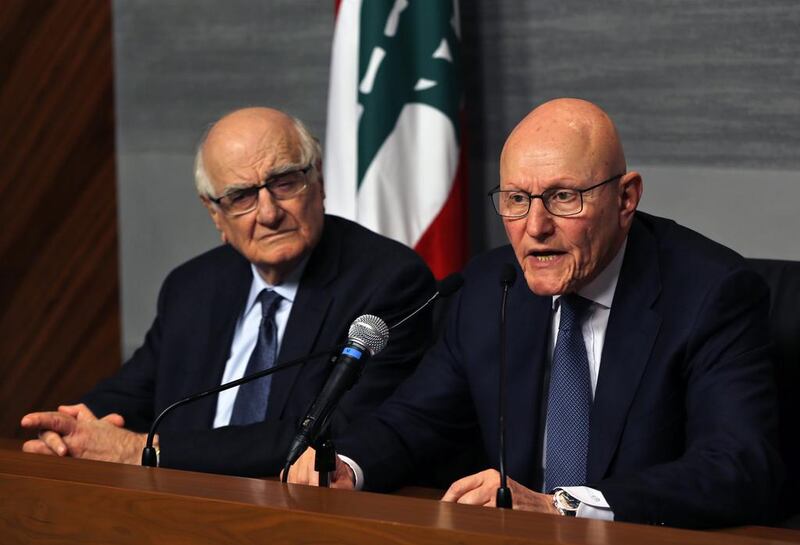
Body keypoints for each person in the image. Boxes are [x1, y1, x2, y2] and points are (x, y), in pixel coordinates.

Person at [287, 98, 783, 528]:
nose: (536, 227)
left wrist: (564, 507)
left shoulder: (710, 293)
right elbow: (418, 419)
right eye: (517, 200)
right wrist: (348, 465)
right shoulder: (488, 287)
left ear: (626, 197)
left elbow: (737, 464)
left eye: (564, 197)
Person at [20, 107, 435, 476]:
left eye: (285, 182)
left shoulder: (388, 282)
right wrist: (72, 431)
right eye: (241, 197)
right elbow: (130, 392)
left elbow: (331, 434)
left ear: (319, 182)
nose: (269, 213)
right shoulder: (192, 286)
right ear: (215, 213)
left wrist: (145, 451)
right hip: (177, 510)